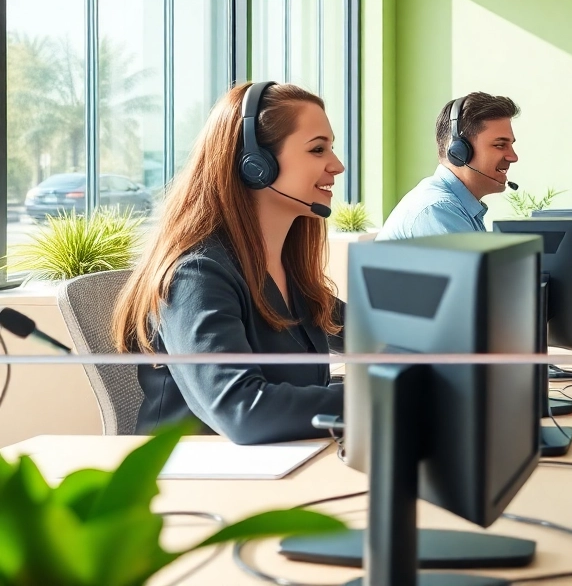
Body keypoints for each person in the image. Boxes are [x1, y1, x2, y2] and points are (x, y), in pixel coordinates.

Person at [114, 82, 346, 445]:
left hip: (283, 461)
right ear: (256, 166)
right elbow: (244, 410)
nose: (337, 165)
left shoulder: (288, 268)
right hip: (197, 483)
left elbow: (374, 335)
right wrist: (381, 399)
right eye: (318, 149)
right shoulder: (196, 273)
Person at [379, 91, 519, 239]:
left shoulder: (456, 206)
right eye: (500, 145)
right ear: (459, 152)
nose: (513, 157)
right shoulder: (438, 210)